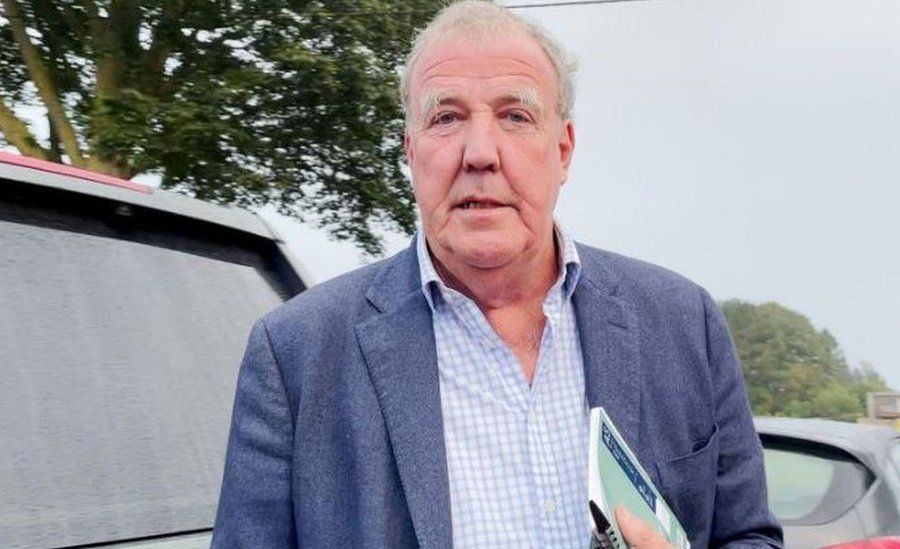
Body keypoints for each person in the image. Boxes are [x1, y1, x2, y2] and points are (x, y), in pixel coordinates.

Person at [211, 2, 782, 548]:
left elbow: (748, 536)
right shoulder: (295, 357)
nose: (480, 152)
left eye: (515, 115)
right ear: (411, 152)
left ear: (562, 149)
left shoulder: (685, 326)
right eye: (446, 117)